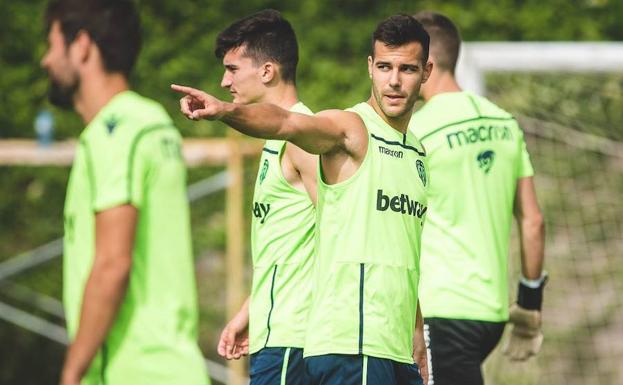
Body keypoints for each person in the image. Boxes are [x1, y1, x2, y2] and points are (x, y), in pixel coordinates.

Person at [173, 14, 432, 385]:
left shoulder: (418, 155)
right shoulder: (349, 129)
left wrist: (416, 328)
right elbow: (286, 125)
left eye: (407, 68)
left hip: (382, 344)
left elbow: (398, 252)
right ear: (370, 68)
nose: (393, 80)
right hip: (350, 341)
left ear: (426, 72)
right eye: (385, 67)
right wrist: (225, 111)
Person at [40, 1, 208, 384]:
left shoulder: (118, 128)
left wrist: (71, 372)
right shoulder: (151, 123)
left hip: (138, 372)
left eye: (51, 45)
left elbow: (112, 264)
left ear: (81, 45)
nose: (46, 61)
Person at [409, 11, 546, 385]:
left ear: (426, 64)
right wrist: (530, 305)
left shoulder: (415, 131)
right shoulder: (505, 122)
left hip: (439, 313)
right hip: (490, 314)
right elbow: (532, 222)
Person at [211, 10, 318, 385]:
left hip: (295, 339)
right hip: (277, 333)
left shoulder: (303, 140)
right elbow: (286, 250)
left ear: (268, 71)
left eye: (232, 69)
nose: (225, 81)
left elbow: (342, 231)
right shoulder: (276, 138)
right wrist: (251, 310)